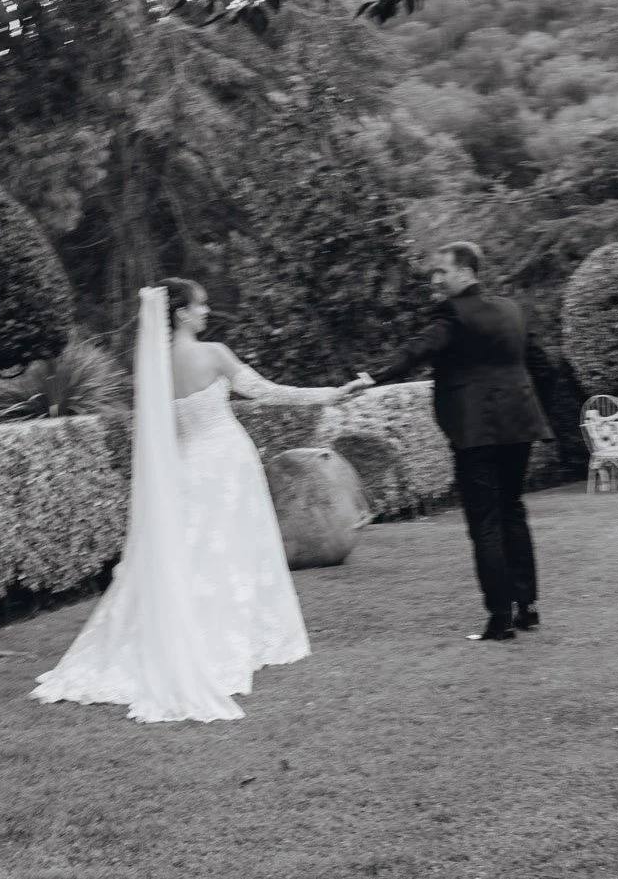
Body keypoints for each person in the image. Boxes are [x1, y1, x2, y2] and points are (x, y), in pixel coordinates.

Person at [33, 279, 364, 724]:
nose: (206, 311)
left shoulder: (153, 369)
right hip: (228, 464)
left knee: (192, 558)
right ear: (182, 313)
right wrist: (332, 393)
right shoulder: (214, 354)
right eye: (201, 304)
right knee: (233, 555)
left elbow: (159, 436)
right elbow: (269, 392)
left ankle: (187, 639)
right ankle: (232, 641)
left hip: (188, 472)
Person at [358, 241, 555, 643]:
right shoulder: (511, 310)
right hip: (519, 425)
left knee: (485, 522)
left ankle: (500, 618)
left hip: (475, 432)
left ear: (466, 272)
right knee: (512, 512)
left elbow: (418, 349)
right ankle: (527, 608)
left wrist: (373, 377)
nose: (435, 279)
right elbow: (542, 367)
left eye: (441, 271)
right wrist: (534, 410)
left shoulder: (452, 313)